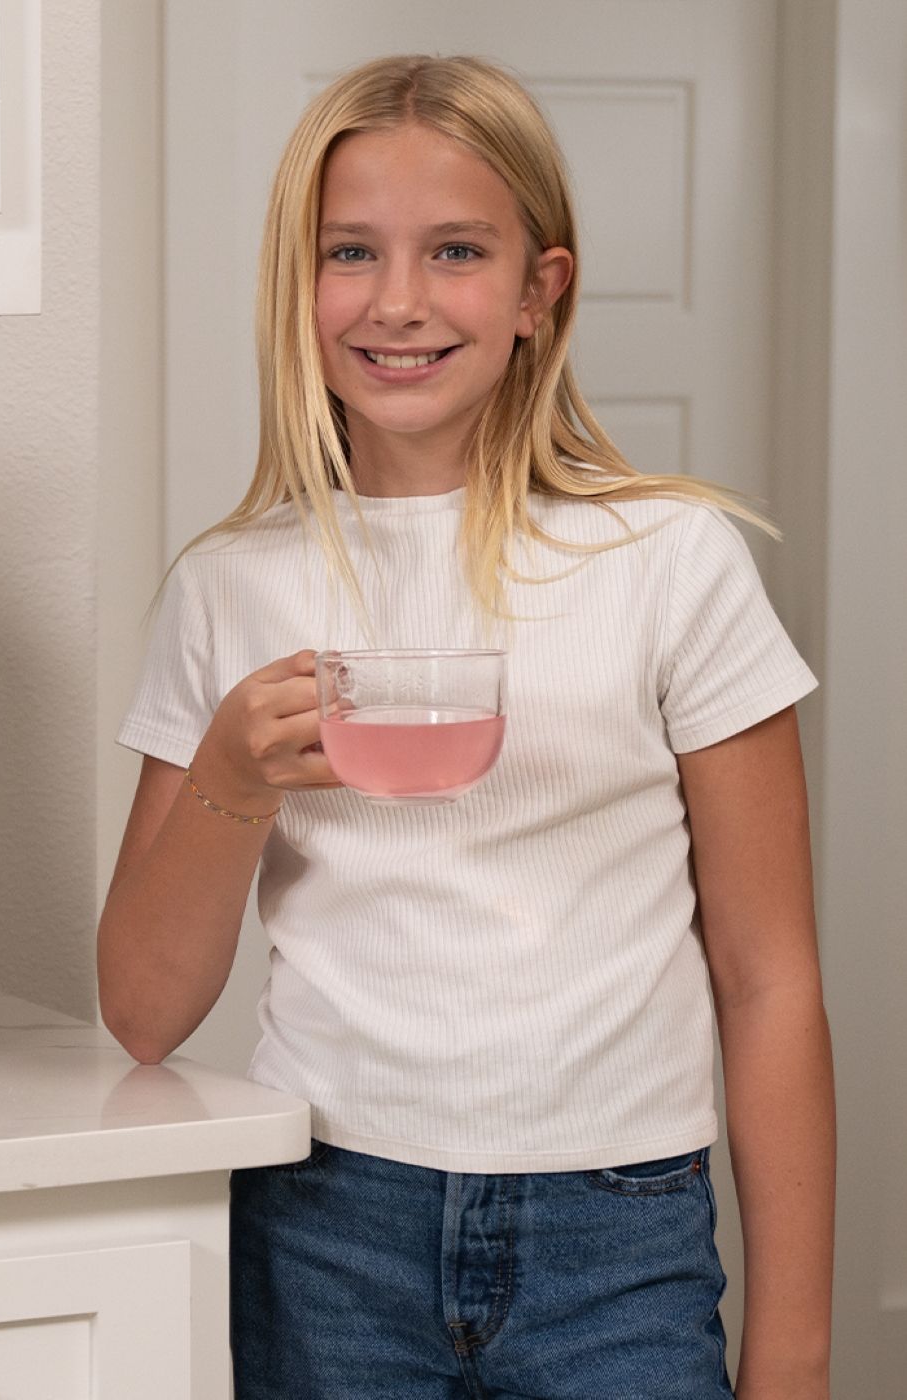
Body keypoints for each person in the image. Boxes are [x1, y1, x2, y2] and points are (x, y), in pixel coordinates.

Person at [98, 55, 835, 1399]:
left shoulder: (671, 559)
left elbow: (771, 979)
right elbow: (145, 1012)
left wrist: (793, 1354)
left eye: (455, 251)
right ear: (296, 287)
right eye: (349, 253)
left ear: (538, 294)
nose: (397, 301)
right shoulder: (229, 585)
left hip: (621, 1235)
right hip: (324, 1223)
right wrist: (225, 782)